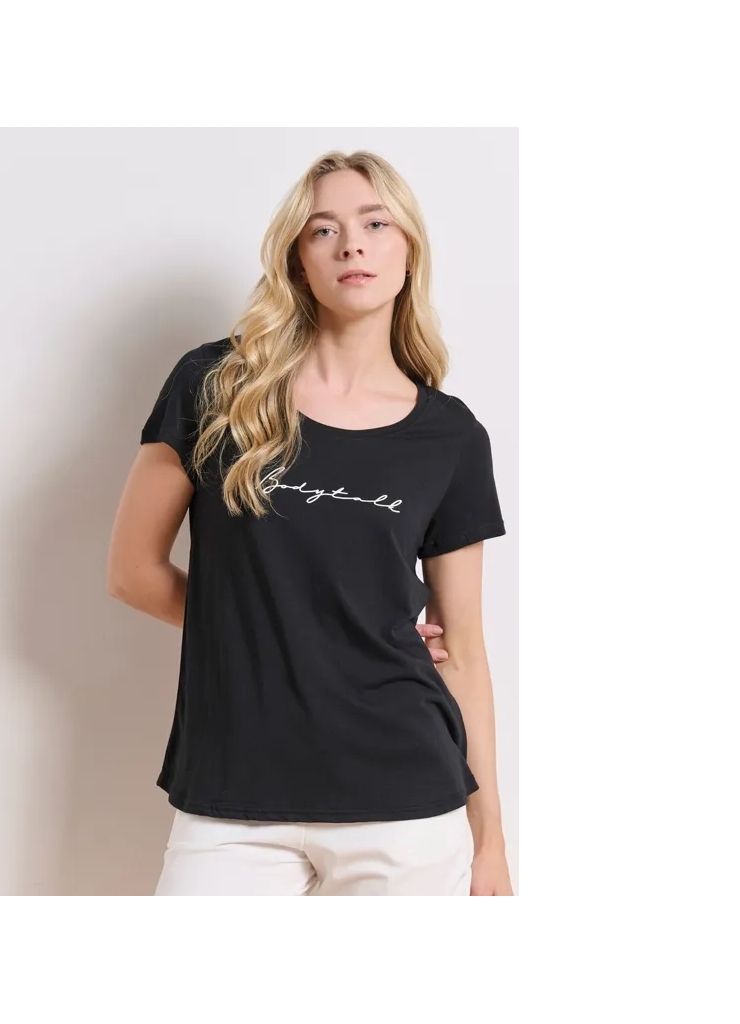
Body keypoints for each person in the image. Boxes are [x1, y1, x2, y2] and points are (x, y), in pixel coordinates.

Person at [107, 150, 513, 896]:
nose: (352, 245)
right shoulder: (215, 387)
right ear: (298, 259)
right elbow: (133, 573)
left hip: (407, 806)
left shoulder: (451, 437)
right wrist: (268, 630)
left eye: (375, 224)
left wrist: (490, 842)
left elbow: (463, 651)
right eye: (324, 229)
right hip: (232, 799)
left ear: (408, 249)